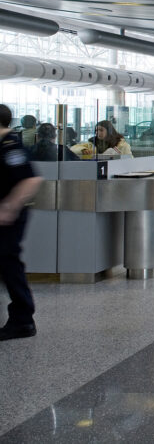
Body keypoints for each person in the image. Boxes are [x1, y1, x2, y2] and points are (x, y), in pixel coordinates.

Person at [0, 104, 42, 340]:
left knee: (8, 262)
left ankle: (23, 319)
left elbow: (30, 180)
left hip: (9, 217)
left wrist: (9, 207)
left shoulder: (11, 146)